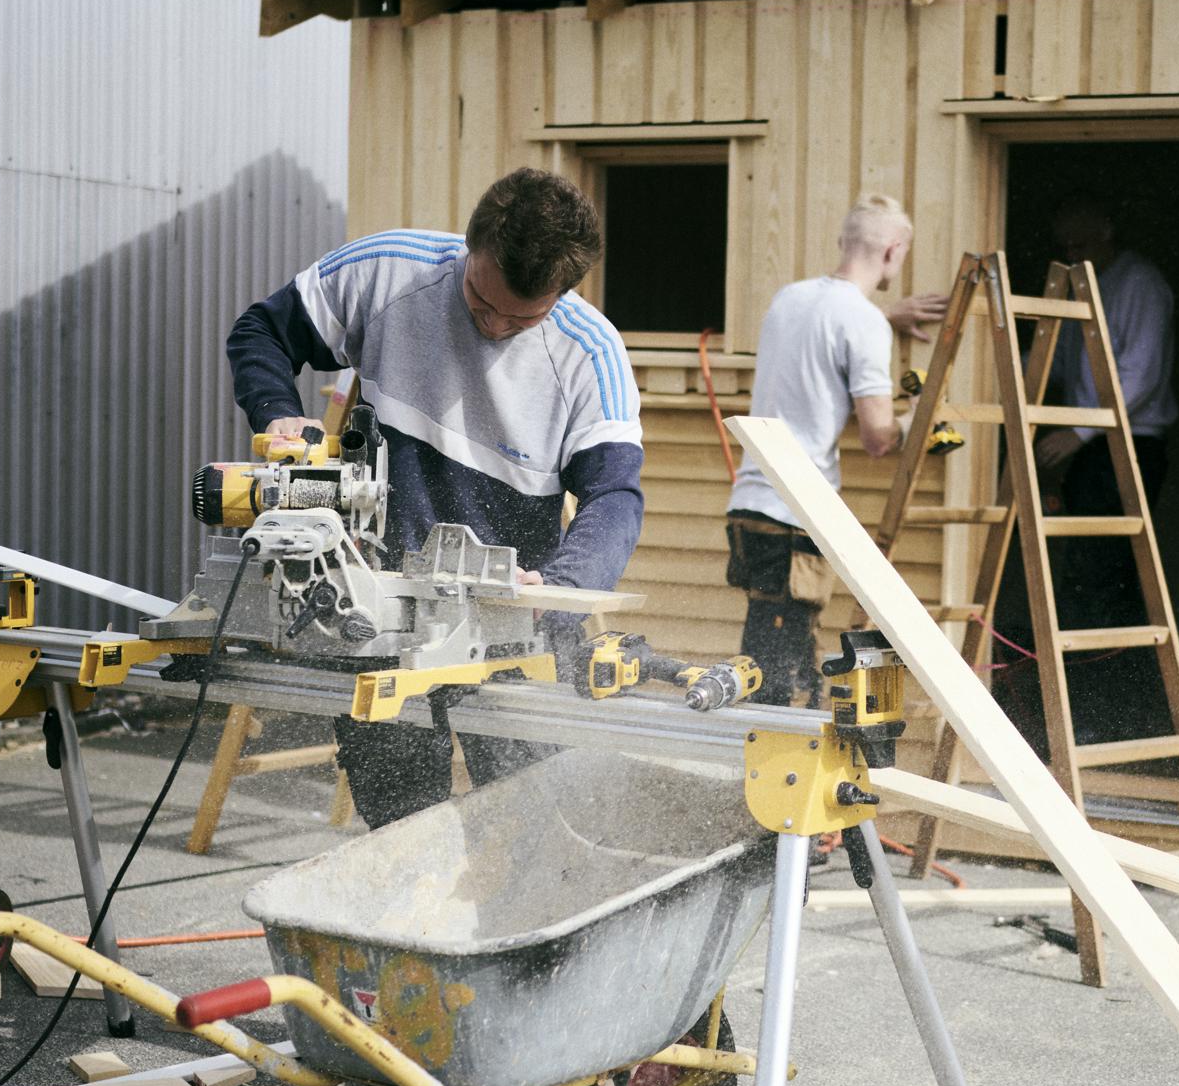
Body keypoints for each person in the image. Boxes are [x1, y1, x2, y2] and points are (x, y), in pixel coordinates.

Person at [225, 167, 642, 826]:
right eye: (481, 301)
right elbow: (260, 332)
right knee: (400, 825)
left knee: (531, 821)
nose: (496, 328)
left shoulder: (592, 354)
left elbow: (614, 496)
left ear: (561, 292)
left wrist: (555, 593)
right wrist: (277, 411)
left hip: (509, 629)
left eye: (521, 317)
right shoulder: (389, 271)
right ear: (470, 248)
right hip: (380, 612)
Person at [723, 194, 944, 705]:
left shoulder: (789, 297)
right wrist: (924, 417)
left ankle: (757, 767)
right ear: (892, 252)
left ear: (845, 241)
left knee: (772, 654)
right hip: (795, 513)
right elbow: (876, 439)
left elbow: (821, 339)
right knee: (778, 674)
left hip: (751, 507)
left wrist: (884, 318)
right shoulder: (862, 322)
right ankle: (762, 777)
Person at [1033, 193, 1178, 740]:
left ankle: (1104, 718)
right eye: (1066, 247)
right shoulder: (1077, 283)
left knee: (1104, 576)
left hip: (1128, 442)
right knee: (1083, 575)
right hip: (1087, 442)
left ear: (1110, 230)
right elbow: (1053, 360)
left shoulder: (1141, 284)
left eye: (1083, 244)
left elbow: (1139, 376)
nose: (1074, 255)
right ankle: (1078, 713)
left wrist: (1079, 431)